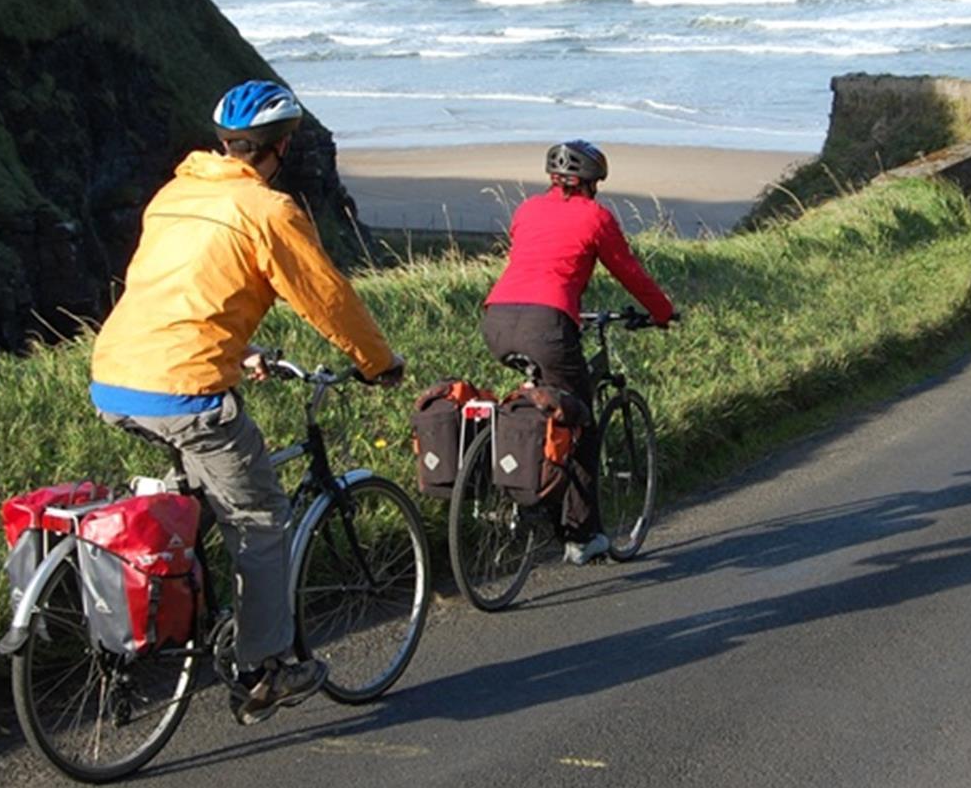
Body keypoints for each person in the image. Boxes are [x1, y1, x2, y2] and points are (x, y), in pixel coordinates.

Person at [89, 79, 405, 726]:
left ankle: (171, 594)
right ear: (281, 148)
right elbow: (326, 298)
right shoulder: (269, 210)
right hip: (185, 391)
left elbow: (185, 293)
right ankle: (266, 671)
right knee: (260, 520)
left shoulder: (175, 194)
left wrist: (243, 351)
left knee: (197, 505)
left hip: (115, 376)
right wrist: (378, 364)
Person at [481, 140, 674, 565]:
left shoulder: (527, 210)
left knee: (542, 406)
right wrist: (661, 312)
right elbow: (628, 270)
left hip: (496, 318)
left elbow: (536, 261)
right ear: (593, 182)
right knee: (579, 419)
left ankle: (528, 492)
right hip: (546, 325)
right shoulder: (596, 216)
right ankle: (582, 536)